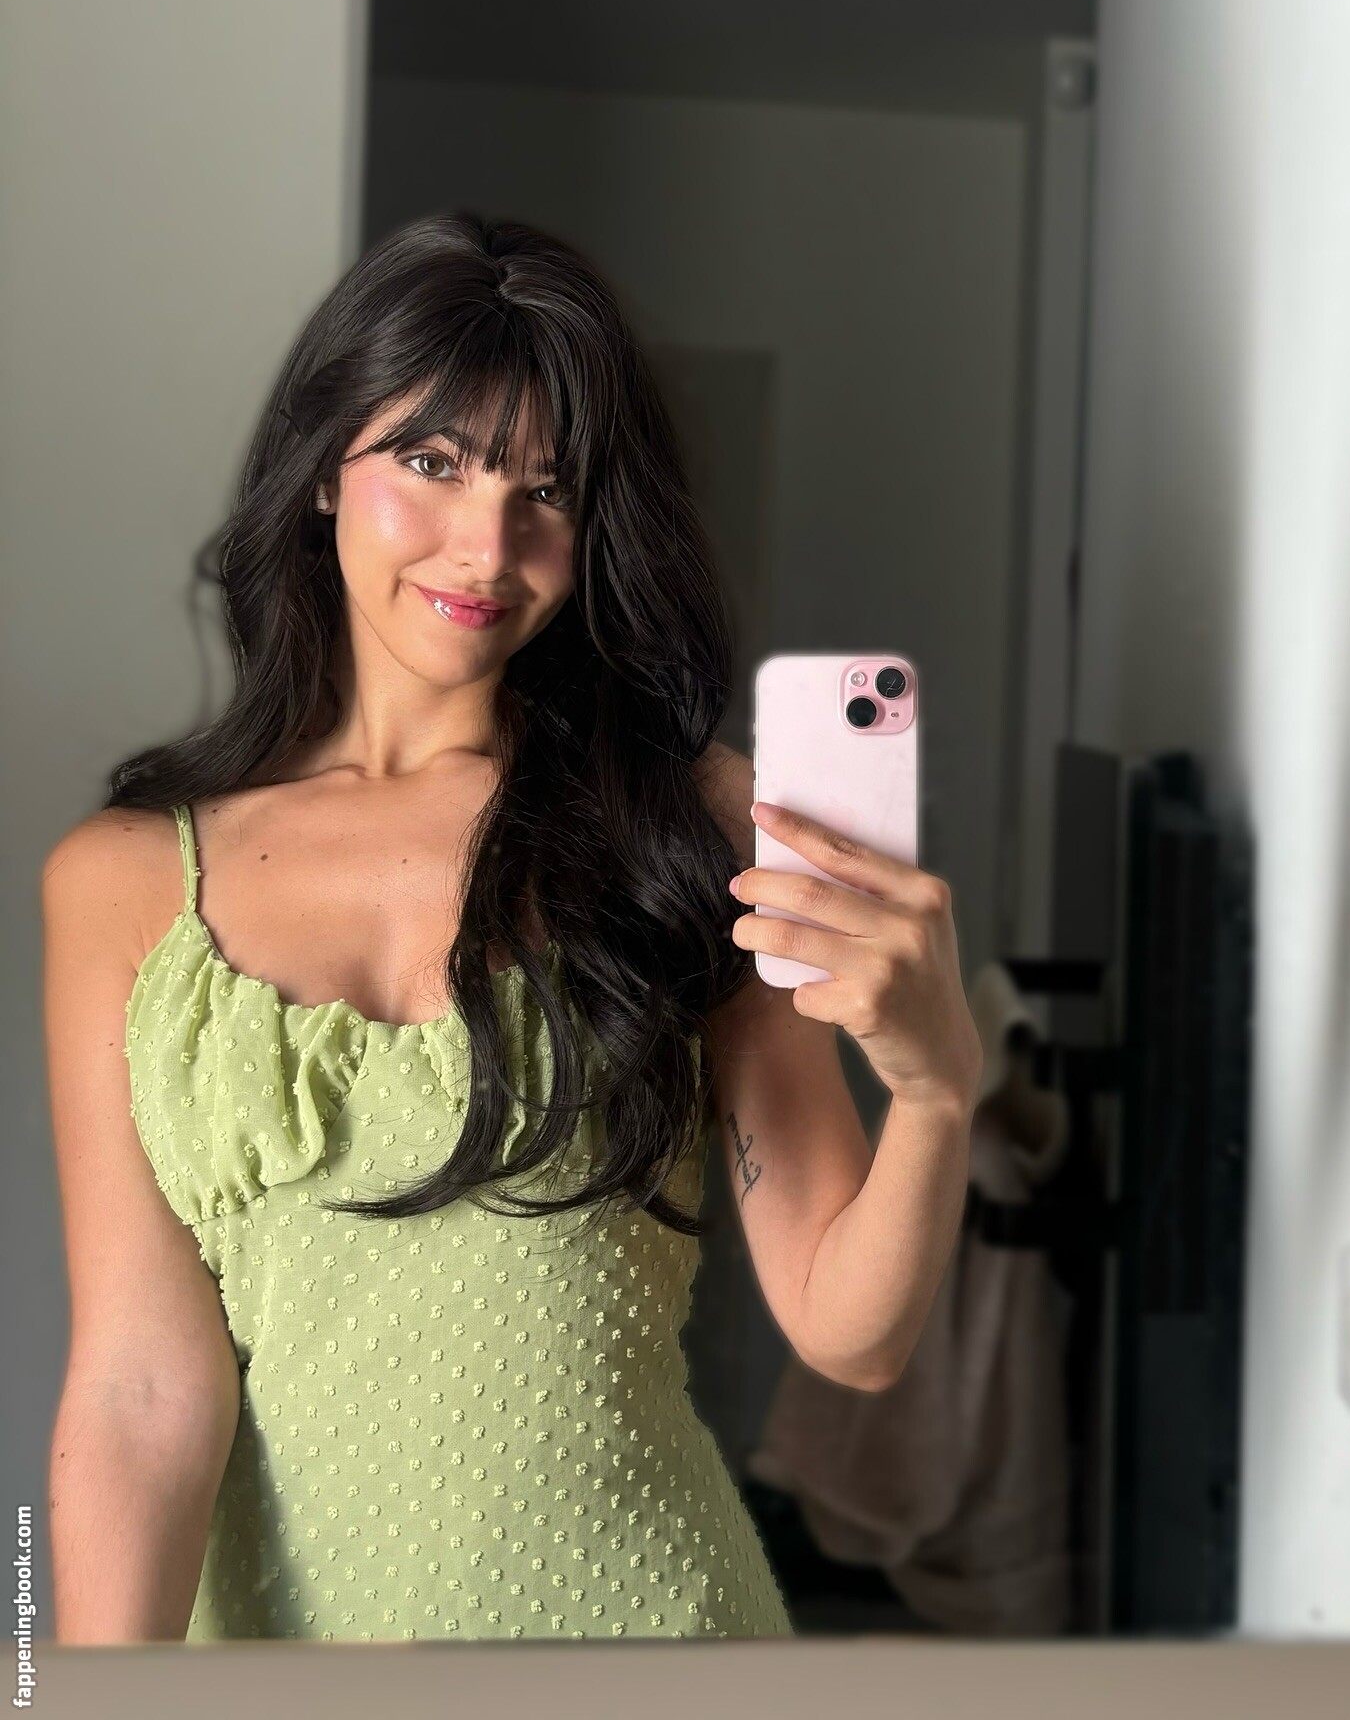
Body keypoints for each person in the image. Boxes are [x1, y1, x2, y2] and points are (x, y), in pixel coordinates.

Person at [41, 211, 983, 1643]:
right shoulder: (123, 882)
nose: (488, 545)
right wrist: (62, 1693)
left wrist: (936, 1086)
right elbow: (136, 1389)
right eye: (433, 462)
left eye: (548, 490)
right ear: (322, 469)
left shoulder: (694, 825)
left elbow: (851, 1334)